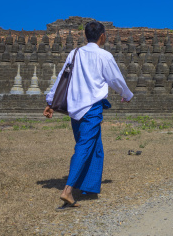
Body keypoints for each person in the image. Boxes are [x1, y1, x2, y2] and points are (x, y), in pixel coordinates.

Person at [43, 21, 133, 210]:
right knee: (84, 147)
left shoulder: (74, 53)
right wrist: (127, 95)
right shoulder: (104, 56)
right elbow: (115, 79)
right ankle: (68, 190)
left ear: (85, 36)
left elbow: (61, 78)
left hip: (75, 108)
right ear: (102, 36)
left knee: (95, 147)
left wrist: (50, 102)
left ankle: (89, 187)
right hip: (92, 108)